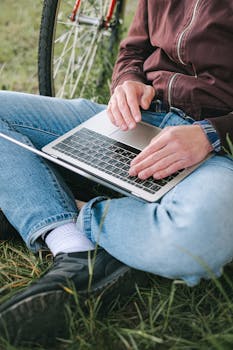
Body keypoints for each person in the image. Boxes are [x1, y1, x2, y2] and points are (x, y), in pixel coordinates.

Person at [1, 0, 233, 345]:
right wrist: (126, 83)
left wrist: (212, 133)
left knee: (200, 235)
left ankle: (66, 208)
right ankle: (73, 244)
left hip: (214, 150)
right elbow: (133, 50)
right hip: (138, 120)